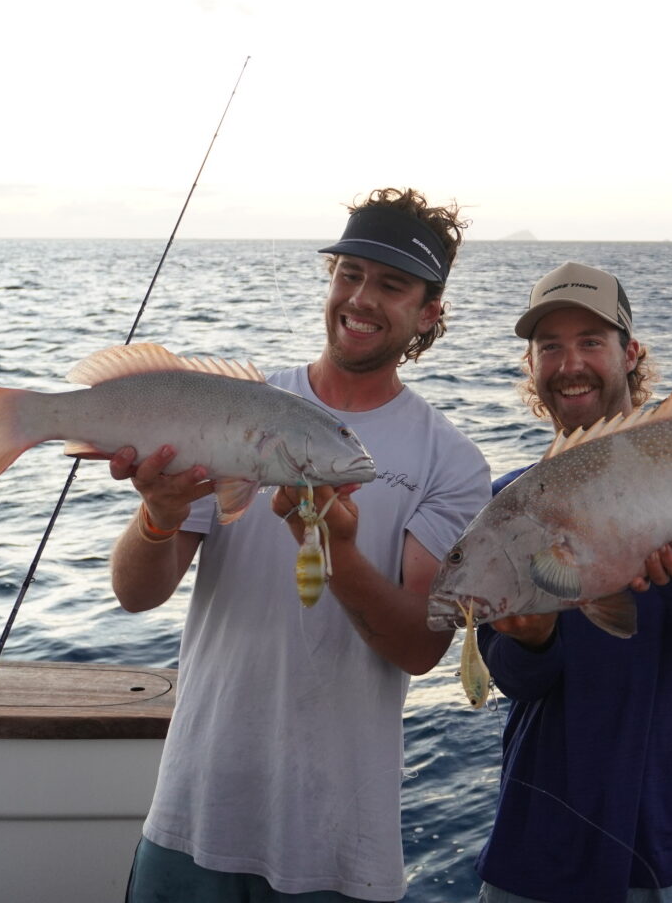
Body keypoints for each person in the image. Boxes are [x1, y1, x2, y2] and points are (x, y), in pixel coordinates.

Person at [107, 188, 491, 902]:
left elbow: (420, 647)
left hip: (339, 845)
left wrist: (339, 554)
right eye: (349, 273)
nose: (362, 298)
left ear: (429, 312)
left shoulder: (453, 462)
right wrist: (158, 515)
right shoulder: (233, 410)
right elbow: (136, 593)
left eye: (392, 285)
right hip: (194, 810)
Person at [475, 262, 672, 903]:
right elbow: (514, 682)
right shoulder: (506, 506)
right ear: (531, 367)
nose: (569, 362)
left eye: (590, 341)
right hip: (550, 838)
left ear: (629, 353)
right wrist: (528, 641)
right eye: (548, 346)